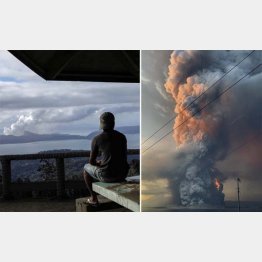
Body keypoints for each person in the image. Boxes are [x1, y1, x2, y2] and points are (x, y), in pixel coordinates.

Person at [82, 112, 129, 206]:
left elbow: (91, 162)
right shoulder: (122, 137)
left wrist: (99, 163)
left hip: (107, 176)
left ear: (101, 124)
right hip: (123, 174)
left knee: (86, 168)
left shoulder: (97, 139)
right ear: (113, 123)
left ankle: (93, 198)